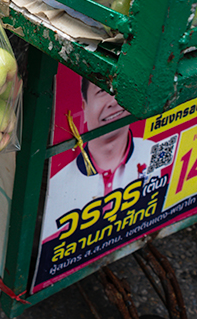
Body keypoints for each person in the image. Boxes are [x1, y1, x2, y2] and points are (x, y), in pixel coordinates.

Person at [38, 78, 157, 244]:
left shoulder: (152, 154)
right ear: (84, 107)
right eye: (102, 91)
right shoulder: (59, 182)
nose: (113, 102)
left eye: (120, 89)